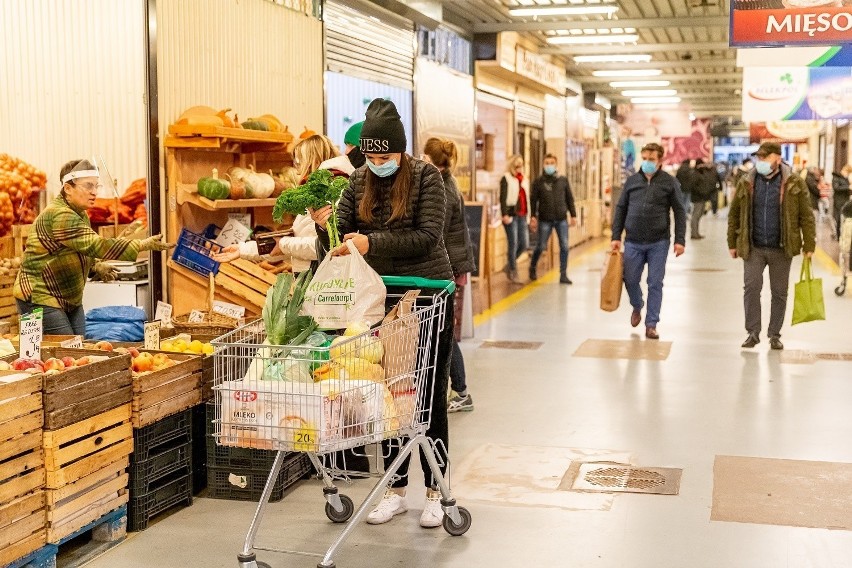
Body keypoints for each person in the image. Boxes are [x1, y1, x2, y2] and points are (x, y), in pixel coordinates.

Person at [310, 98, 454, 528]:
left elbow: (428, 237)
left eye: (385, 157)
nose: (377, 164)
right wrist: (326, 229)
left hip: (426, 296)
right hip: (378, 300)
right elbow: (336, 245)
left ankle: (436, 489)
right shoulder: (356, 182)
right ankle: (393, 489)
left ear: (401, 151)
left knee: (426, 397)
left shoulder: (428, 178)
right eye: (371, 157)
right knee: (385, 395)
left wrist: (372, 243)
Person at [14, 158, 171, 335]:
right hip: (39, 296)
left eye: (97, 186)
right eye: (88, 186)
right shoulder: (60, 215)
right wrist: (142, 244)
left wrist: (95, 266)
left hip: (68, 297)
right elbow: (96, 244)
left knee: (80, 349)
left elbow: (81, 247)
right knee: (64, 352)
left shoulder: (80, 214)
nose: (94, 192)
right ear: (68, 188)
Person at [213, 135, 354, 272]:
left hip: (322, 279)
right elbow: (297, 242)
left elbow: (321, 246)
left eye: (299, 162)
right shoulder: (315, 192)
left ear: (314, 161)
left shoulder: (331, 193)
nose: (297, 169)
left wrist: (283, 244)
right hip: (312, 276)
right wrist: (243, 249)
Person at [727, 142, 816, 350]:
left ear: (777, 158)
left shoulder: (793, 182)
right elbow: (734, 214)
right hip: (753, 246)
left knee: (779, 293)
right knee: (751, 288)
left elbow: (806, 216)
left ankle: (774, 334)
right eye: (759, 158)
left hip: (781, 247)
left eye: (765, 158)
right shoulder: (747, 181)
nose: (761, 162)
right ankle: (752, 332)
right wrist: (732, 242)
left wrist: (809, 244)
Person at [422, 138, 477, 413]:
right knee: (444, 332)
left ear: (431, 160)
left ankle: (462, 391)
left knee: (445, 334)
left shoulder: (441, 189)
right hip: (453, 267)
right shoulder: (447, 182)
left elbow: (436, 234)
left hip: (448, 269)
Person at [610, 143, 687, 340]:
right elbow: (621, 208)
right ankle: (637, 304)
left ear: (660, 160)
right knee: (631, 279)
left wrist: (680, 240)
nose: (647, 162)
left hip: (658, 241)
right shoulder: (632, 181)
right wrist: (615, 237)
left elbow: (679, 211)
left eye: (651, 159)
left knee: (655, 283)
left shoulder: (669, 182)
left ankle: (651, 324)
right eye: (644, 158)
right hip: (633, 241)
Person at [529, 153, 577, 284]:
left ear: (556, 164)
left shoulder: (563, 180)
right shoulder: (538, 182)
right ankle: (532, 267)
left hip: (561, 218)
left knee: (565, 246)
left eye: (552, 163)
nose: (549, 165)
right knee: (541, 245)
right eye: (547, 163)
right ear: (543, 165)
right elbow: (533, 200)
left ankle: (563, 274)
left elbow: (569, 198)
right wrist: (533, 216)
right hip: (545, 218)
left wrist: (573, 215)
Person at [499, 154, 529, 282]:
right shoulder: (506, 178)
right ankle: (513, 271)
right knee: (513, 243)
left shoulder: (523, 179)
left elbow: (526, 198)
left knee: (524, 244)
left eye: (521, 164)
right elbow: (503, 197)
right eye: (516, 164)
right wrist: (504, 214)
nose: (519, 167)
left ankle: (509, 265)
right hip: (511, 215)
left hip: (523, 215)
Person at [690, 159, 721, 239]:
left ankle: (696, 233)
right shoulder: (695, 174)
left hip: (702, 197)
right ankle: (694, 233)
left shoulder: (701, 172)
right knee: (696, 215)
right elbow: (694, 186)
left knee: (699, 215)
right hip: (698, 198)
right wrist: (702, 191)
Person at [832, 165, 852, 238]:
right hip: (839, 201)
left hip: (845, 200)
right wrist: (848, 187)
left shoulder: (845, 179)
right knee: (839, 219)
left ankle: (841, 235)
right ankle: (838, 235)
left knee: (843, 219)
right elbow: (836, 188)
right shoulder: (837, 178)